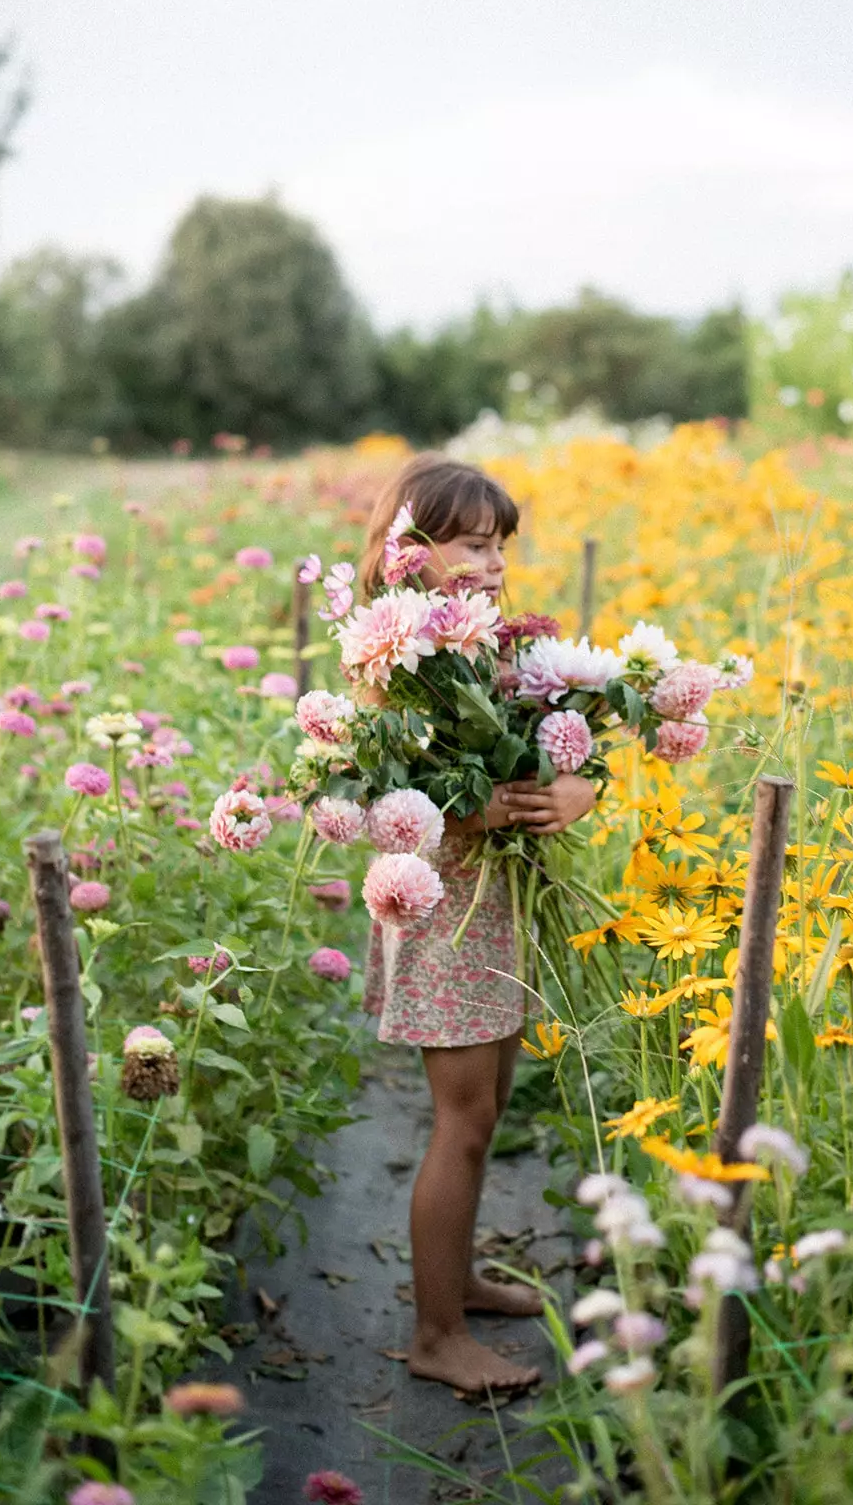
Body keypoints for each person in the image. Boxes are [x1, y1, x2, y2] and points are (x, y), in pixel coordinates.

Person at [359, 455, 596, 1394]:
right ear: (412, 551)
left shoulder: (486, 650)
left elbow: (559, 741)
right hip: (440, 908)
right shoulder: (395, 663)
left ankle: (455, 1283)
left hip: (492, 907)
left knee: (488, 1106)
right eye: (471, 545)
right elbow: (382, 794)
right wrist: (474, 812)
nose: (493, 565)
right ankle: (435, 1334)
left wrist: (577, 785)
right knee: (459, 1123)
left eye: (500, 546)